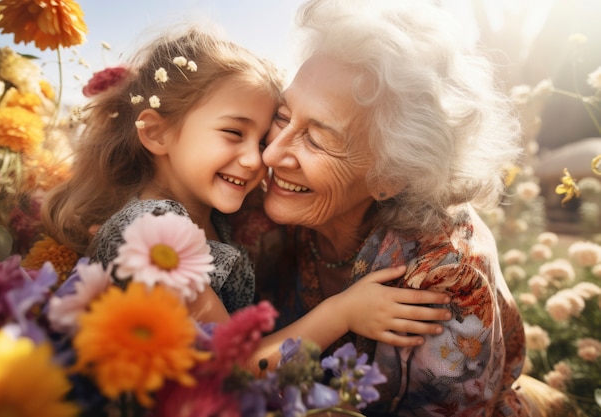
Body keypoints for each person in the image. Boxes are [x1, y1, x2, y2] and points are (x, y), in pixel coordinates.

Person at [231, 0, 580, 415]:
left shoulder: (447, 276)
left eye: (317, 139)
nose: (271, 155)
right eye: (284, 115)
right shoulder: (255, 198)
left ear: (390, 176)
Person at [41, 25, 451, 368]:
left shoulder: (202, 215)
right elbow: (233, 368)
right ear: (156, 132)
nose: (261, 159)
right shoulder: (155, 236)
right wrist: (342, 312)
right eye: (234, 133)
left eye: (262, 136)